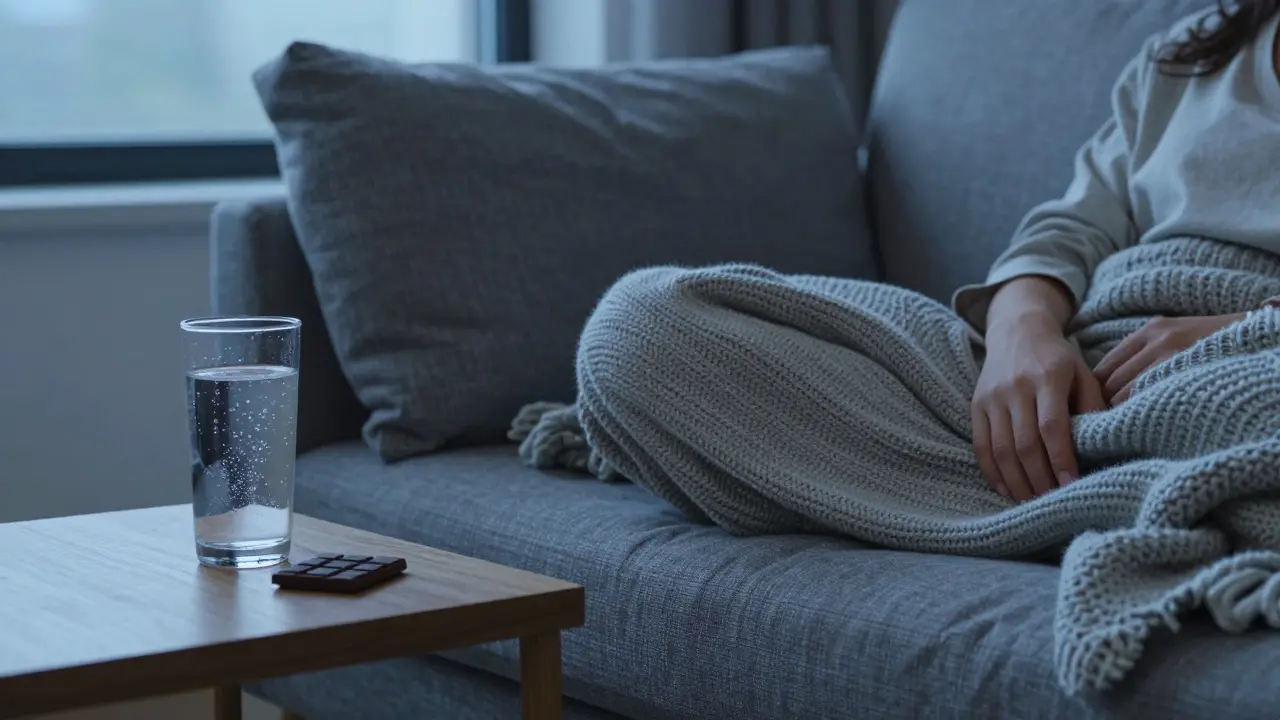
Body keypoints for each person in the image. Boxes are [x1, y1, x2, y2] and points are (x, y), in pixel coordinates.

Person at [954, 0, 1280, 503]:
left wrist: (1249, 332)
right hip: (1081, 350)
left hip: (1250, 365)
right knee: (795, 341)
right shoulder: (1186, 55)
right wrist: (1019, 332)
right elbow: (1071, 228)